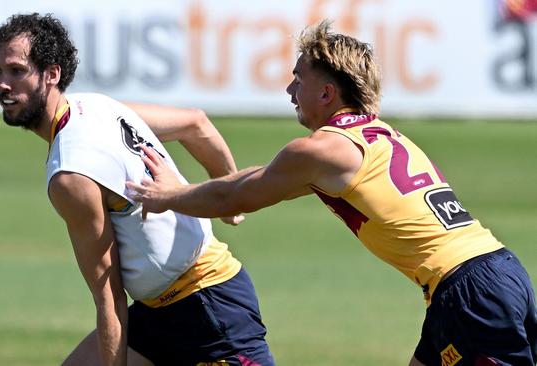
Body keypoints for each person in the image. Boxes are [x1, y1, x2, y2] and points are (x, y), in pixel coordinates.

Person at [127, 20, 537, 366]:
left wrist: (169, 195)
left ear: (327, 93)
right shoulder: (375, 135)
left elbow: (231, 198)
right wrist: (200, 187)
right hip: (496, 273)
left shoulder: (321, 149)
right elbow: (262, 176)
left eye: (298, 79)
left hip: (468, 291)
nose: (290, 90)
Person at [0, 12, 274, 366]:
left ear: (51, 75)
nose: (3, 83)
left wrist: (230, 201)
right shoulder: (99, 106)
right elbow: (195, 124)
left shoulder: (69, 175)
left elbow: (109, 297)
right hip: (161, 313)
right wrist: (229, 203)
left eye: (16, 71)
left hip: (208, 309)